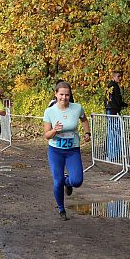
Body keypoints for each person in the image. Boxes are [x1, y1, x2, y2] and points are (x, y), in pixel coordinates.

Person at [43, 81, 91, 221]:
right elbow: (47, 135)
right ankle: (61, 209)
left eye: (67, 95)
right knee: (57, 181)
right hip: (55, 151)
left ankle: (67, 183)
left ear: (70, 95)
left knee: (77, 181)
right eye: (61, 94)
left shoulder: (77, 108)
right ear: (56, 94)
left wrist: (87, 133)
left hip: (72, 150)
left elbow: (84, 119)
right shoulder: (50, 111)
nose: (64, 97)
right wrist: (54, 130)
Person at [104, 71, 128, 161]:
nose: (120, 78)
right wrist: (120, 106)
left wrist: (123, 105)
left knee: (114, 132)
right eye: (118, 76)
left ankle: (114, 154)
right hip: (112, 110)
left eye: (120, 76)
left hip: (112, 110)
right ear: (114, 77)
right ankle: (112, 154)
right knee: (113, 132)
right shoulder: (113, 86)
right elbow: (115, 100)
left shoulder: (111, 86)